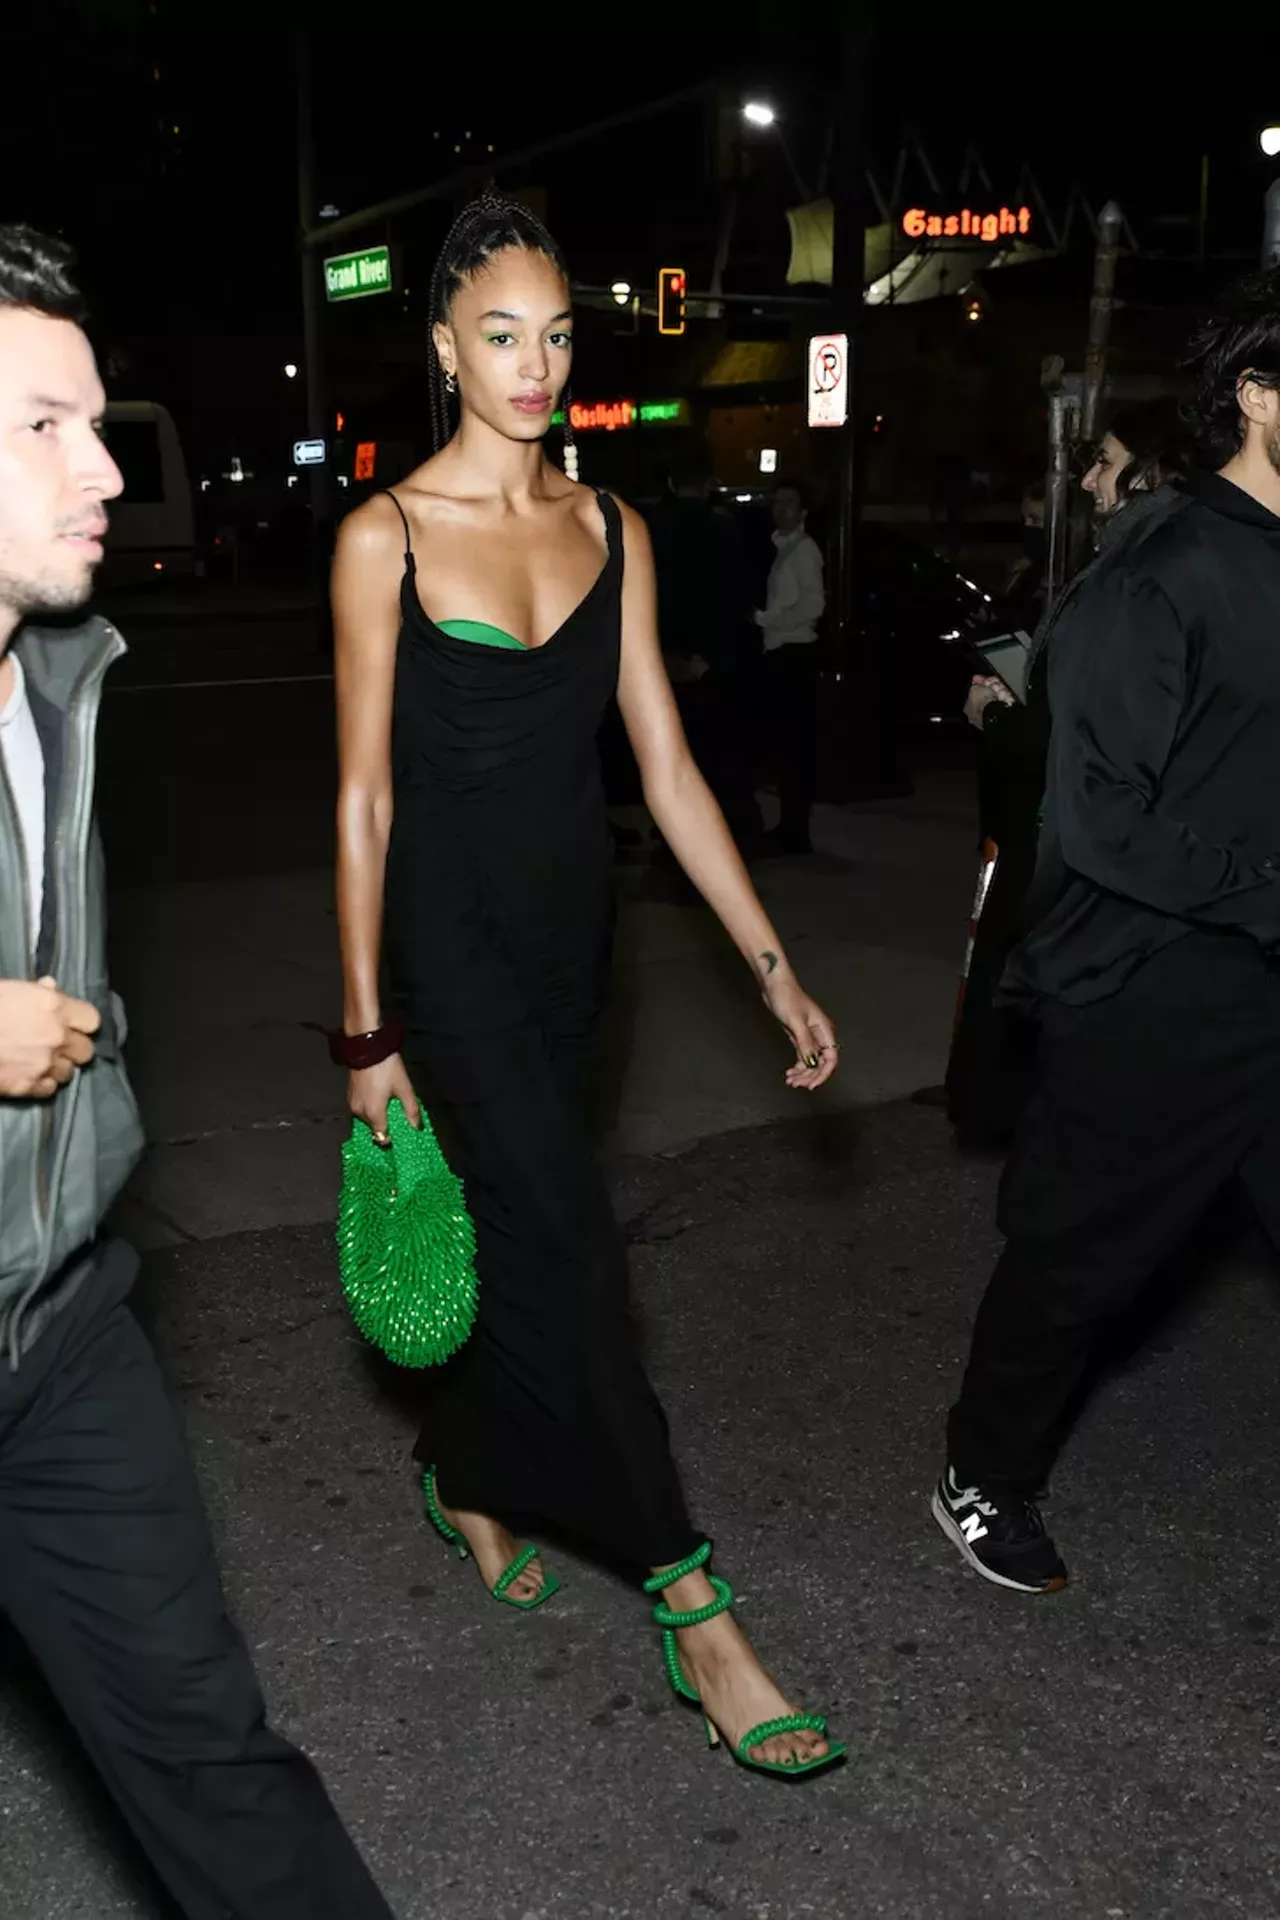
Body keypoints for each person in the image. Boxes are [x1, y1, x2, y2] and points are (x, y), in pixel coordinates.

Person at [332, 193, 844, 1776]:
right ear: (443, 347)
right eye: (500, 334)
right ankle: (697, 1606)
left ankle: (465, 1472)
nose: (534, 364)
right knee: (573, 1247)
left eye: (556, 335)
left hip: (576, 945)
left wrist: (770, 967)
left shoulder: (612, 528)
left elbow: (669, 770)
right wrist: (365, 1032)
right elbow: (363, 800)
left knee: (524, 1235)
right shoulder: (385, 537)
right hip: (447, 953)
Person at [0, 226, 396, 1919]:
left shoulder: (60, 680)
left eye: (95, 421)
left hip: (57, 1335)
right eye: (43, 427)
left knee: (213, 1755)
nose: (102, 469)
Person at [932, 270, 1280, 1594]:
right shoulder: (1164, 572)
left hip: (1263, 972)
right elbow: (1104, 822)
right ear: (1257, 397)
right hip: (1151, 984)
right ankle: (981, 1470)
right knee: (1079, 1261)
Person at [942, 402, 1192, 1152]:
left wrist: (996, 716)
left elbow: (1087, 738)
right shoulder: (1139, 559)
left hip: (1069, 835)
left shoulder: (1138, 574)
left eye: (1104, 462)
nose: (1086, 481)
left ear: (1150, 472)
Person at [646, 453, 763, 852]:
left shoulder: (654, 527)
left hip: (668, 653)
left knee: (673, 748)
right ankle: (728, 831)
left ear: (671, 483)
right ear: (707, 484)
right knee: (721, 746)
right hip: (714, 655)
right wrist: (712, 654)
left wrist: (665, 650)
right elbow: (737, 595)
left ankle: (673, 835)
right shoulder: (724, 528)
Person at [755, 482, 825, 856]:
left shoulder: (804, 550)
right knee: (787, 748)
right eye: (777, 501)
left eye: (790, 502)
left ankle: (794, 832)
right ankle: (790, 828)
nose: (781, 508)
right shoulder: (783, 548)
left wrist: (769, 620)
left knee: (794, 748)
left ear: (803, 511)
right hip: (783, 653)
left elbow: (814, 604)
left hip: (794, 654)